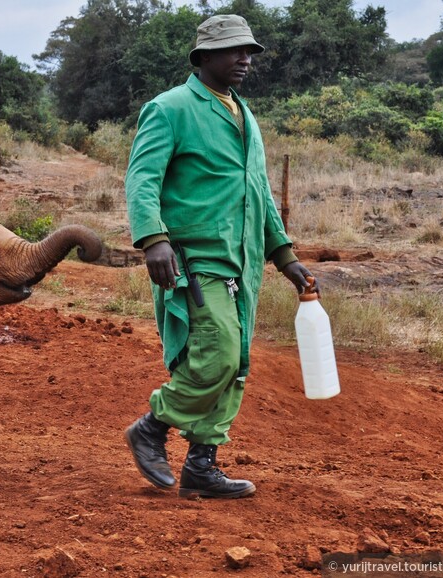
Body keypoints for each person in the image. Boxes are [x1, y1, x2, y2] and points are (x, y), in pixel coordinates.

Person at [124, 14, 318, 499]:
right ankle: (152, 426)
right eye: (234, 50)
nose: (245, 60)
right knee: (218, 353)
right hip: (193, 258)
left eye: (249, 51)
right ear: (203, 57)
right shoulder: (169, 109)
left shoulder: (245, 116)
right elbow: (142, 179)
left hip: (244, 261)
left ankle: (201, 465)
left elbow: (260, 195)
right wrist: (153, 238)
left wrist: (285, 256)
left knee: (238, 364)